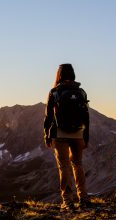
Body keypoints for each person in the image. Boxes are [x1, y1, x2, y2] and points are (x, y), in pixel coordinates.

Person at [44, 63, 90, 210]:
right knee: (78, 164)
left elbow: (48, 116)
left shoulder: (54, 92)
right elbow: (86, 116)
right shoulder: (81, 92)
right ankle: (83, 198)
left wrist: (47, 134)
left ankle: (67, 201)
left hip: (60, 133)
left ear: (59, 75)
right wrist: (86, 136)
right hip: (78, 134)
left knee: (64, 167)